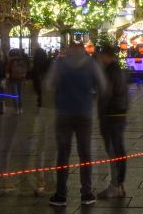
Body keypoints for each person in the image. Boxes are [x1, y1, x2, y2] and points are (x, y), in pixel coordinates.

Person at [45, 41, 107, 207]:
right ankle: (86, 193)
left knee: (63, 154)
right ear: (82, 50)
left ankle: (61, 194)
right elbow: (103, 85)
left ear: (69, 50)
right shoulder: (91, 64)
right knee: (85, 154)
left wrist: (61, 93)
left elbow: (48, 85)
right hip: (84, 113)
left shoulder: (60, 64)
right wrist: (91, 95)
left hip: (64, 113)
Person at [96, 44, 129, 198]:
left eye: (101, 55)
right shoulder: (119, 70)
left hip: (111, 114)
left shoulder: (110, 71)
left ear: (105, 55)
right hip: (120, 113)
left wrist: (101, 112)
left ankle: (115, 185)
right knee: (118, 149)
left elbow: (106, 93)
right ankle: (119, 184)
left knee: (113, 150)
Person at [6, 49, 28, 114]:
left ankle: (16, 110)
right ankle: (21, 109)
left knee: (15, 95)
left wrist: (7, 78)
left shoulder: (11, 61)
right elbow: (26, 69)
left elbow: (7, 70)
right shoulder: (22, 60)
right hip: (21, 79)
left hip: (13, 79)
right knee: (20, 94)